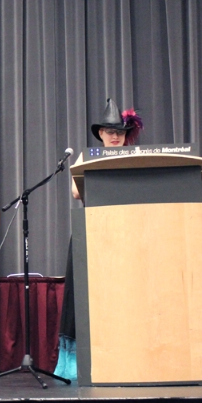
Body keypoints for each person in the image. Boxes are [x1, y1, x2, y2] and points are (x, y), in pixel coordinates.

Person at [56, 98, 143, 379]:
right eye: (110, 132)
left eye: (119, 132)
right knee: (81, 294)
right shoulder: (88, 156)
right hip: (91, 230)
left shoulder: (133, 157)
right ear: (101, 134)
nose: (115, 136)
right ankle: (78, 362)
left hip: (123, 232)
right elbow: (75, 192)